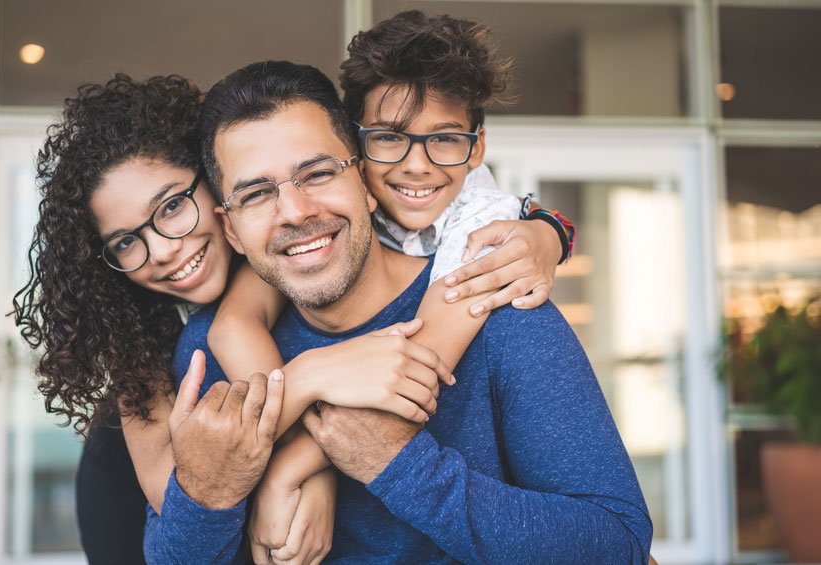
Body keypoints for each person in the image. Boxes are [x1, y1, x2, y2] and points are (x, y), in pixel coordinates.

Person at [12, 72, 564, 563]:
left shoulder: (284, 263)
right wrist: (310, 385)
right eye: (127, 241)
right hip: (125, 505)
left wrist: (548, 230)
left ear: (213, 186)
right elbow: (184, 501)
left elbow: (470, 205)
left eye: (172, 207)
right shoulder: (148, 356)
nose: (162, 249)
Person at [145, 60, 652, 563]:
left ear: (364, 182)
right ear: (231, 229)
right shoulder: (207, 352)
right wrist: (210, 490)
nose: (295, 212)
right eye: (255, 194)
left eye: (318, 173)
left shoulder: (499, 305)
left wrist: (401, 464)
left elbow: (619, 542)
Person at [204, 12, 575, 558]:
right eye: (389, 138)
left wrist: (291, 469)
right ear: (357, 143)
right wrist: (307, 378)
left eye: (445, 139)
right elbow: (234, 323)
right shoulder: (324, 210)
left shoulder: (479, 226)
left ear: (476, 149)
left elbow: (412, 366)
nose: (416, 166)